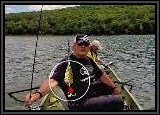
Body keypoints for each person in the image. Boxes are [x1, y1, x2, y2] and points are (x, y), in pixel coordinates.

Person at [24, 34, 124, 110]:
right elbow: (52, 81)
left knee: (110, 87)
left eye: (86, 44)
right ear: (74, 46)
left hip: (91, 92)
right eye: (80, 43)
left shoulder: (89, 60)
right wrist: (37, 95)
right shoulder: (66, 62)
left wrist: (114, 88)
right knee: (119, 101)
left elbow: (102, 75)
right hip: (79, 103)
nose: (83, 46)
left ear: (89, 47)